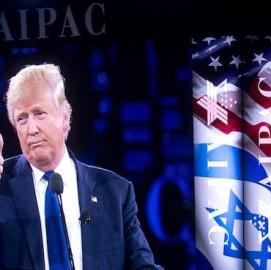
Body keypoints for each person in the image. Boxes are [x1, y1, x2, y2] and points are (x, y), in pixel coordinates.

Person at [0, 64, 163, 269]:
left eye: (40, 113)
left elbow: (142, 266)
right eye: (22, 119)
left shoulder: (115, 191)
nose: (31, 129)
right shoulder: (2, 186)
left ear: (65, 118)